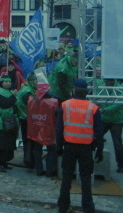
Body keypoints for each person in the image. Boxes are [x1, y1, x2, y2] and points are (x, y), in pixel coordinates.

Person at [56, 79, 104, 213]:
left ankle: (63, 206)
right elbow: (99, 132)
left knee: (66, 179)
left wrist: (59, 146)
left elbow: (59, 128)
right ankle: (88, 208)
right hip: (86, 149)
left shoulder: (65, 105)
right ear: (86, 92)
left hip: (69, 147)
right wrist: (99, 150)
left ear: (73, 90)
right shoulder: (93, 108)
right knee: (86, 179)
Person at [0, 76, 19, 173]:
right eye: (6, 82)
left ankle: (4, 162)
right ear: (2, 83)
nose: (8, 83)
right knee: (0, 144)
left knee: (7, 143)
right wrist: (13, 96)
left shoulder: (9, 92)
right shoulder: (0, 92)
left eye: (9, 82)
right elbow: (5, 104)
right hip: (0, 122)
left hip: (9, 120)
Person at [99, 78, 123, 173]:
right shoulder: (102, 86)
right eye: (106, 81)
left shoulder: (120, 89)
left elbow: (117, 105)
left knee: (117, 144)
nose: (107, 83)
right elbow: (99, 98)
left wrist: (104, 110)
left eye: (109, 81)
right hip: (105, 118)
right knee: (95, 137)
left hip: (117, 120)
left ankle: (121, 165)